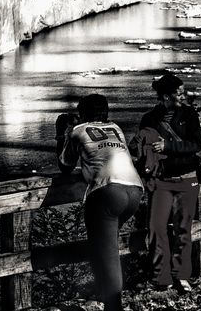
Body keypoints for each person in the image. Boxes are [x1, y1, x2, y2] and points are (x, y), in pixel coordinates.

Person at [58, 94, 145, 311]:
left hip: (107, 193)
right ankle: (104, 296)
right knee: (105, 248)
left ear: (82, 113)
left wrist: (62, 133)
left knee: (108, 256)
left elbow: (65, 165)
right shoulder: (116, 128)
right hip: (134, 190)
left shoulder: (78, 131)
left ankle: (113, 305)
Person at [134, 73, 201, 293]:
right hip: (161, 180)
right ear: (165, 96)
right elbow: (141, 150)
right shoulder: (149, 119)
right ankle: (160, 278)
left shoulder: (189, 114)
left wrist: (168, 147)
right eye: (179, 92)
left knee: (183, 229)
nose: (184, 95)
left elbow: (196, 144)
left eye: (183, 91)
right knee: (156, 229)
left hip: (187, 177)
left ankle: (181, 276)